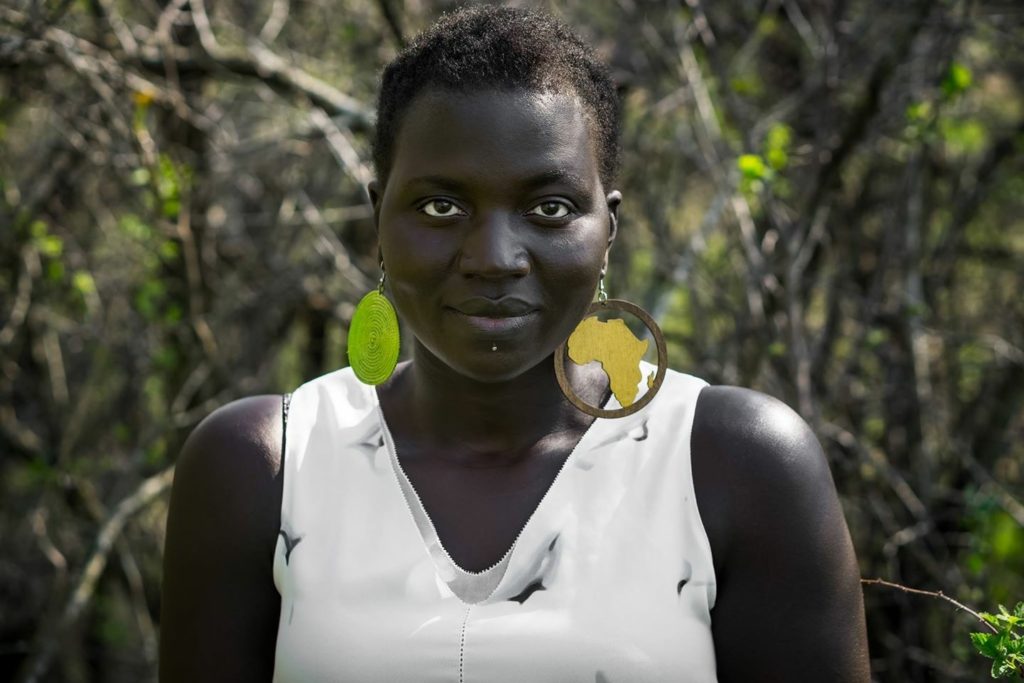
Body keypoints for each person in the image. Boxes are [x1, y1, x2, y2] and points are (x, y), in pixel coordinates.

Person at [159, 6, 870, 682]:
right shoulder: (265, 466)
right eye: (441, 206)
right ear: (379, 218)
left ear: (608, 229)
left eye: (549, 207)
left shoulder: (734, 465)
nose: (495, 258)